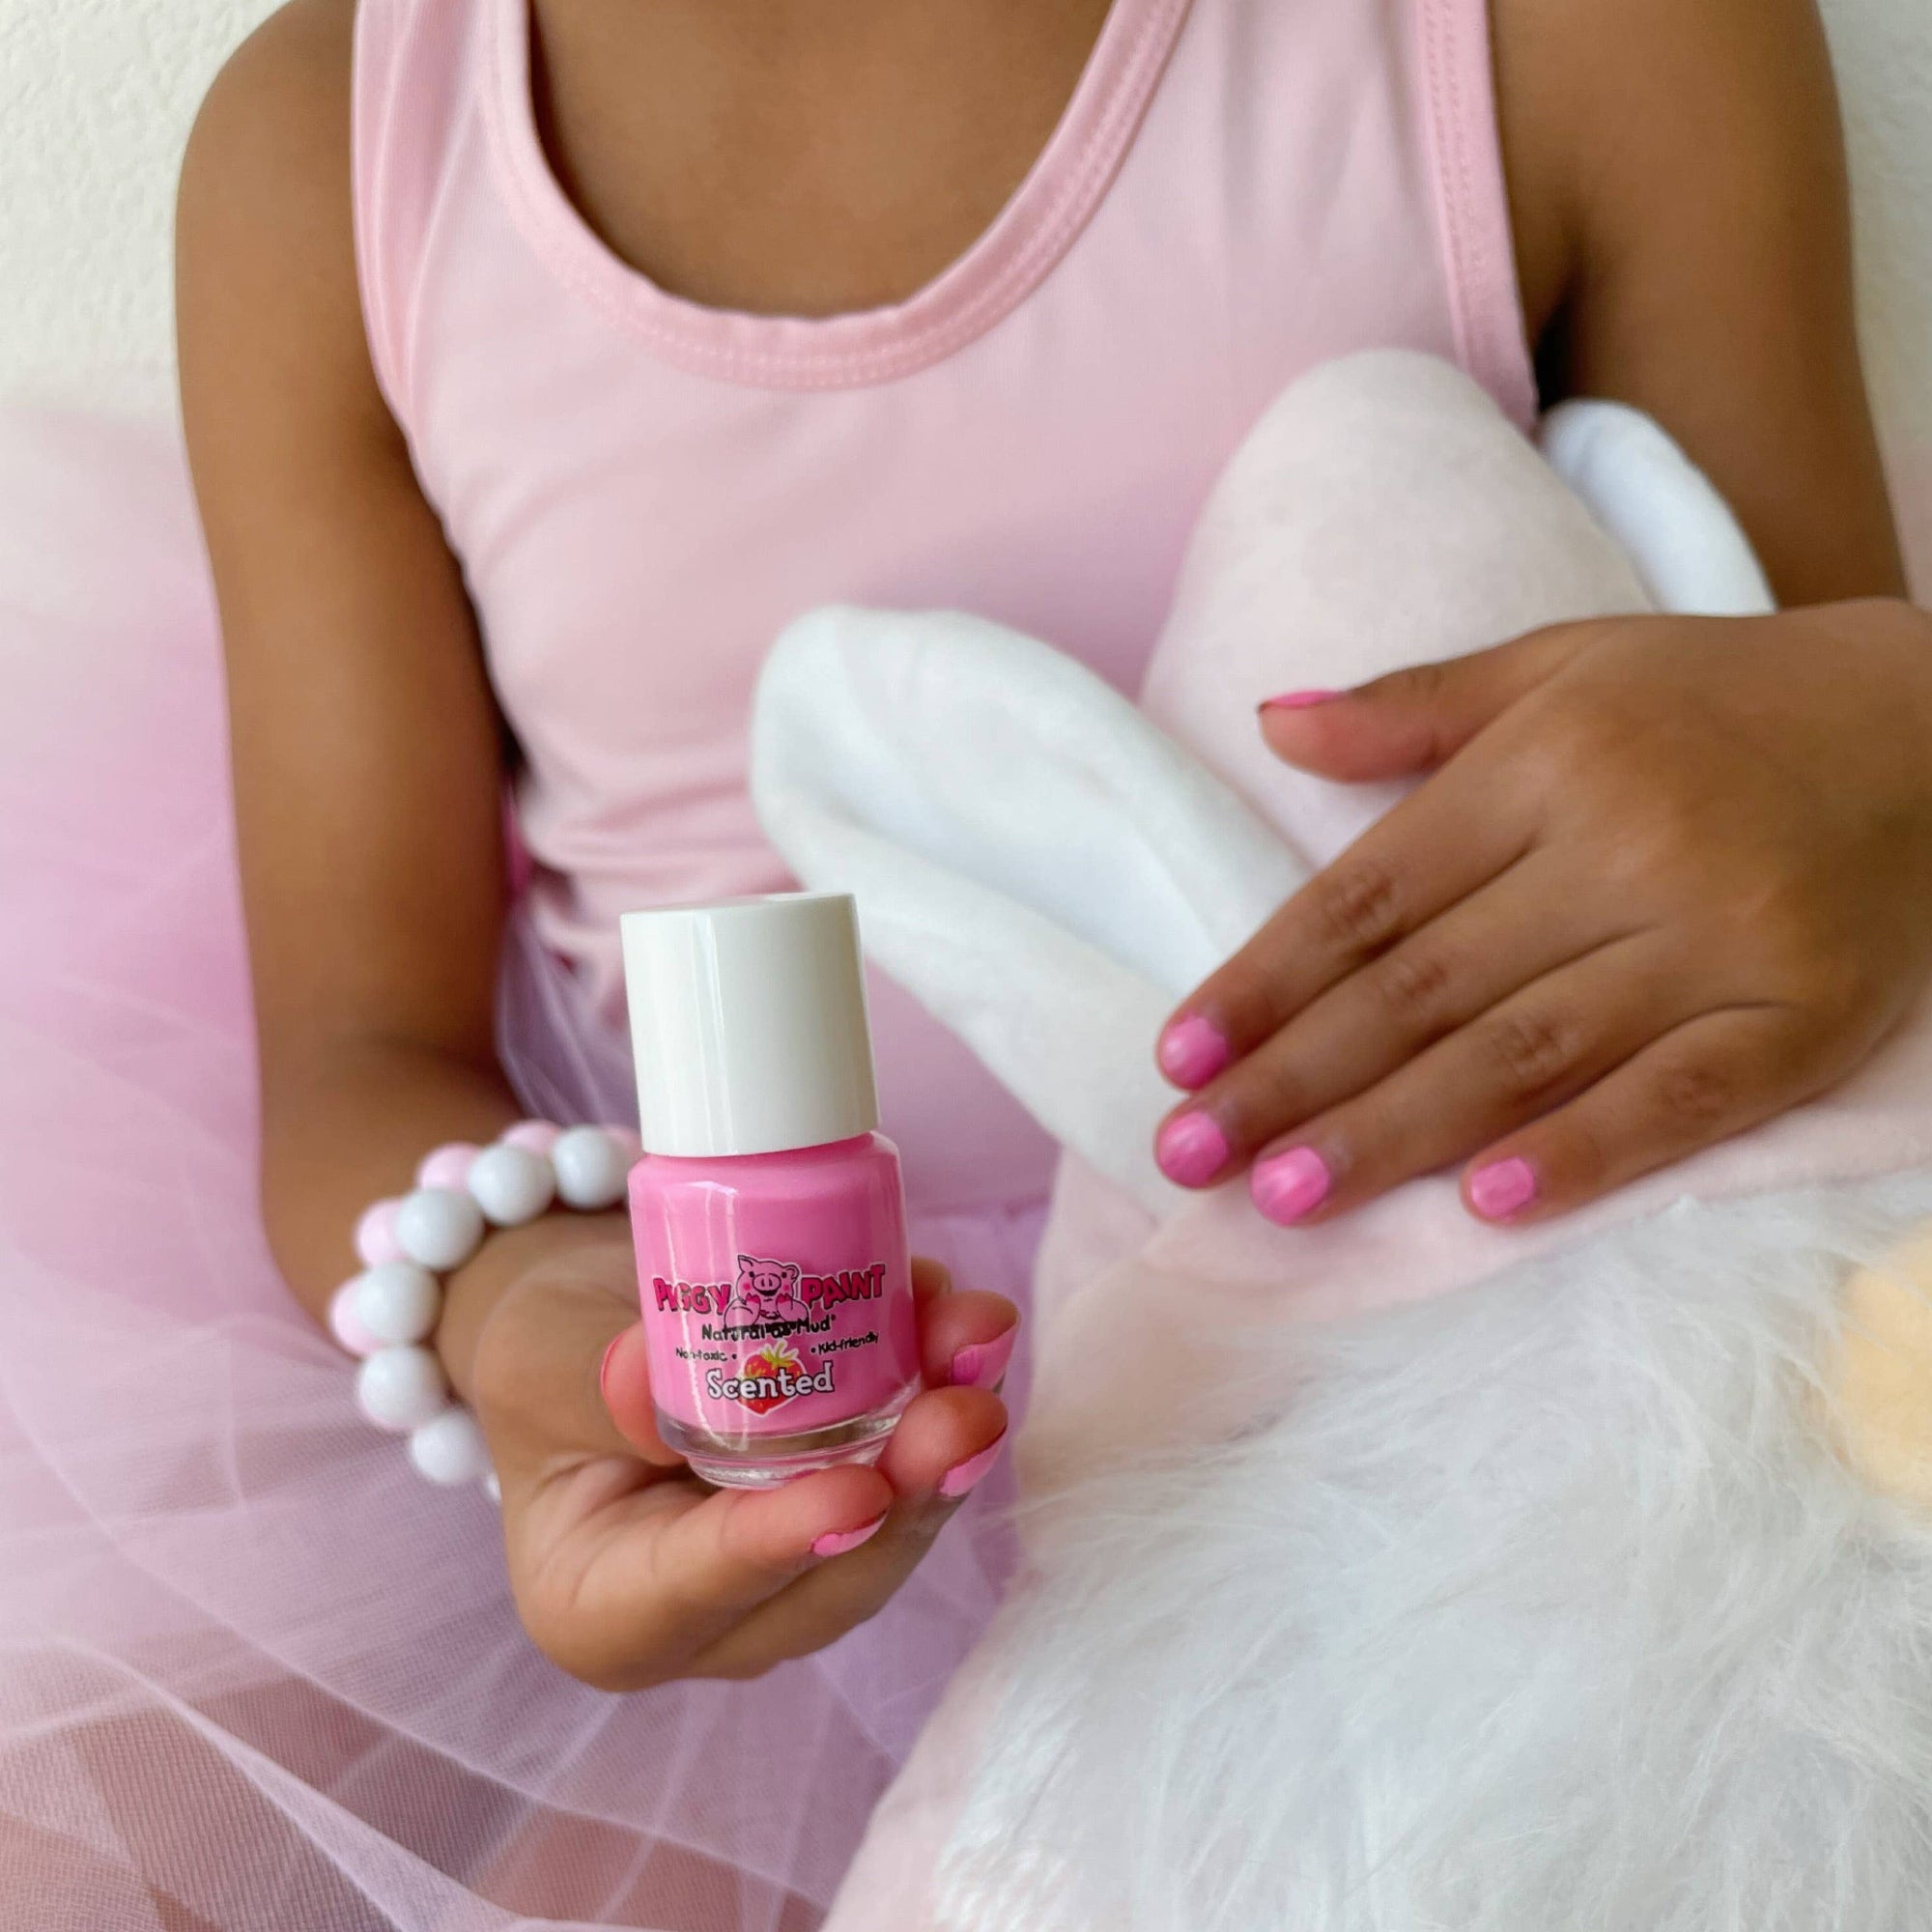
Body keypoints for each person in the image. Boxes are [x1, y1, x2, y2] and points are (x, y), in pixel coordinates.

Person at [4, 0, 1925, 1924]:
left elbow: (1802, 856)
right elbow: (356, 1046)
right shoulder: (337, 147)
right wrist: (528, 1315)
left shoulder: (1580, 36)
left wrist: (1890, 724)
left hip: (1417, 1408)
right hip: (776, 1382)